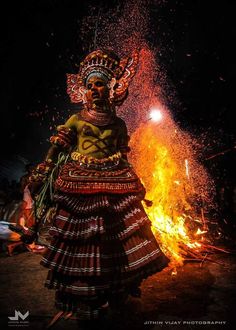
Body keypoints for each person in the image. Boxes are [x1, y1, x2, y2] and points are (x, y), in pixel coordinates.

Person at [24, 49, 170, 324]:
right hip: (80, 183)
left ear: (112, 88)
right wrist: (44, 169)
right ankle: (85, 298)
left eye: (100, 83)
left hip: (115, 183)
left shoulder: (119, 124)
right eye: (89, 85)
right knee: (84, 240)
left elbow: (123, 154)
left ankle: (116, 291)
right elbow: (56, 148)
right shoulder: (76, 120)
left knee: (115, 240)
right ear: (83, 91)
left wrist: (133, 177)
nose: (94, 89)